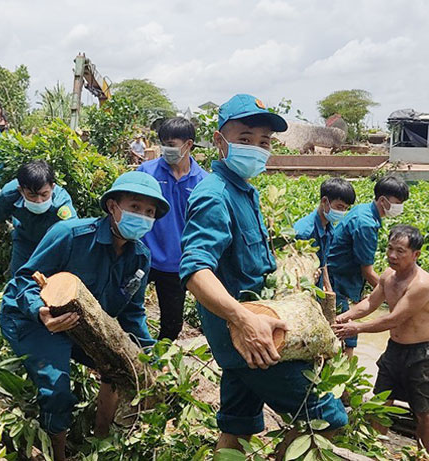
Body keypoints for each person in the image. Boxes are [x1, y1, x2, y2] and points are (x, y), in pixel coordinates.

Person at [180, 94, 347, 454]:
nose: (256, 148)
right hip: (248, 337)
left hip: (253, 330)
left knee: (238, 425)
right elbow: (195, 270)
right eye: (245, 139)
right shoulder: (214, 194)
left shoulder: (245, 191)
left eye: (264, 142)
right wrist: (243, 320)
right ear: (219, 140)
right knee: (329, 418)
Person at [0, 171, 169, 461]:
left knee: (119, 367)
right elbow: (23, 281)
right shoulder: (71, 235)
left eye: (149, 212)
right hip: (35, 321)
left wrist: (151, 357)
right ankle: (59, 452)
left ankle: (100, 441)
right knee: (57, 391)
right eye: (135, 208)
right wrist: (40, 313)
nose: (142, 216)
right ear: (113, 207)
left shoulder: (140, 256)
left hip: (82, 326)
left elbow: (132, 313)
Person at [333, 225, 429, 451]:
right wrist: (345, 316)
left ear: (416, 254)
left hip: (421, 352)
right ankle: (374, 449)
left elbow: (393, 320)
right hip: (395, 349)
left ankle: (425, 455)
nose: (392, 255)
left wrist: (357, 329)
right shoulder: (388, 276)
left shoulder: (420, 285)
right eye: (390, 248)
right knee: (381, 400)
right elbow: (370, 304)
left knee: (423, 410)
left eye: (400, 251)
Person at [137, 117, 208, 340]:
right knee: (124, 308)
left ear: (188, 145)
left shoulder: (203, 182)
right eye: (163, 143)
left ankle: (158, 362)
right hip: (142, 257)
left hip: (177, 265)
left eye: (171, 144)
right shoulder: (146, 173)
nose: (166, 149)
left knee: (172, 324)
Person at [327, 175, 409, 357]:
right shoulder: (365, 223)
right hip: (337, 281)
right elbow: (368, 271)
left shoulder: (363, 211)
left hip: (343, 277)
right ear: (382, 200)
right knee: (345, 333)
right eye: (397, 202)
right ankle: (343, 378)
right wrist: (392, 293)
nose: (399, 207)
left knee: (341, 328)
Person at [0, 160, 77, 277]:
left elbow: (73, 237)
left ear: (52, 187)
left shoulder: (62, 204)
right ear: (21, 190)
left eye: (44, 195)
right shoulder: (9, 195)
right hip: (24, 242)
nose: (39, 201)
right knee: (20, 281)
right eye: (32, 195)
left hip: (54, 245)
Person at [292, 177, 356, 277]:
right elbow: (295, 270)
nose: (342, 212)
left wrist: (328, 287)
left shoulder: (329, 228)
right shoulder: (304, 232)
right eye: (339, 207)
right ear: (325, 201)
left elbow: (323, 262)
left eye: (345, 208)